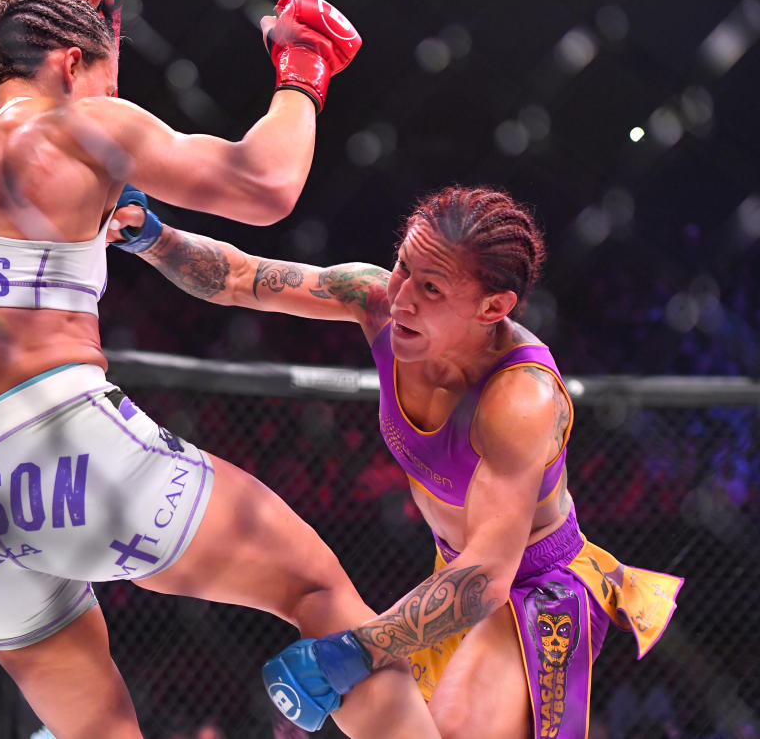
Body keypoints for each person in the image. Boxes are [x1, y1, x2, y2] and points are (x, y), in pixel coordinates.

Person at [0, 0, 440, 739]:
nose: (116, 98)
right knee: (316, 589)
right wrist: (303, 69)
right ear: (71, 61)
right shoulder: (75, 122)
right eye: (109, 80)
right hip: (63, 445)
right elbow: (266, 183)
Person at [110, 185, 685, 737]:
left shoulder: (521, 399)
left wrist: (354, 650)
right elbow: (240, 278)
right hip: (452, 569)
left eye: (432, 288)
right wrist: (153, 237)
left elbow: (487, 575)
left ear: (494, 306)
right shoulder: (378, 298)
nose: (403, 295)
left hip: (534, 583)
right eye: (403, 265)